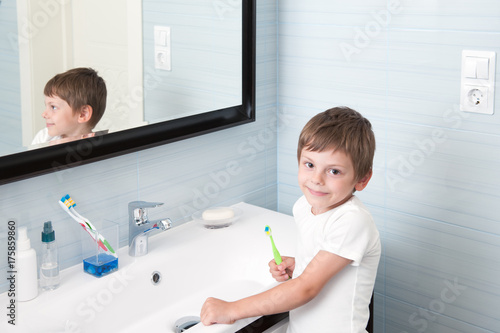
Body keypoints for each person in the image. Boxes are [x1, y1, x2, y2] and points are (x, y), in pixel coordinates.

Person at [200, 107, 381, 332]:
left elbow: (306, 288)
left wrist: (232, 309)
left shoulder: (353, 221)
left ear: (362, 179)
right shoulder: (305, 206)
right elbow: (320, 267)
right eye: (310, 164)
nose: (316, 179)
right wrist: (301, 266)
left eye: (333, 171)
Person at [31, 67, 107, 145]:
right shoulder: (43, 137)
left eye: (53, 107)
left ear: (83, 114)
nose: (44, 114)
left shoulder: (99, 148)